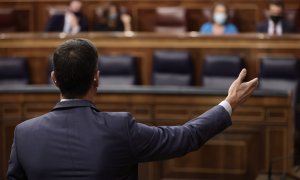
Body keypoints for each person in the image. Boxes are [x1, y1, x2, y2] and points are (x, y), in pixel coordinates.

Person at [7, 39, 258, 179]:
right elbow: (185, 137)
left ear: (54, 78)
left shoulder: (24, 133)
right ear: (97, 78)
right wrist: (229, 103)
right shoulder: (119, 128)